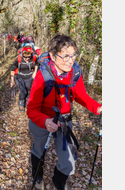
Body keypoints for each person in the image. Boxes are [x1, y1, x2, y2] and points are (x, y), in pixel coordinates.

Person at [27, 34, 102, 190]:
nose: (71, 60)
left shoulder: (75, 72)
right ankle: (38, 175)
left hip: (64, 121)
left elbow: (81, 96)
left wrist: (97, 107)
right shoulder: (43, 74)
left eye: (73, 55)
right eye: (65, 56)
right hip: (42, 119)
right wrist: (45, 121)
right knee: (39, 149)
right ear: (53, 56)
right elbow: (32, 109)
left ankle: (58, 182)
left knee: (68, 162)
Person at [10, 46, 39, 112]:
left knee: (27, 90)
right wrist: (12, 80)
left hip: (28, 76)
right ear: (22, 54)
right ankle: (21, 104)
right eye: (25, 56)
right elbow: (12, 69)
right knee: (23, 91)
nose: (27, 58)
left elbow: (37, 64)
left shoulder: (34, 58)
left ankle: (24, 101)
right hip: (19, 76)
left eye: (28, 56)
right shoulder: (18, 59)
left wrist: (35, 72)